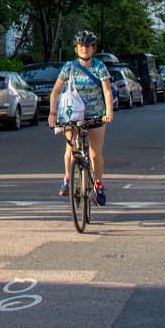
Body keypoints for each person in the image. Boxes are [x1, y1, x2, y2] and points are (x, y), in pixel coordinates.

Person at [49, 32, 115, 205]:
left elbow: (107, 91)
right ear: (76, 48)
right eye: (81, 46)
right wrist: (53, 113)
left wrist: (108, 113)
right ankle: (68, 179)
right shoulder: (69, 67)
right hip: (73, 114)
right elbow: (55, 91)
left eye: (87, 46)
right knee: (70, 149)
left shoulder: (99, 67)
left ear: (93, 48)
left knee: (94, 154)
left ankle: (98, 185)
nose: (84, 49)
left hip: (95, 114)